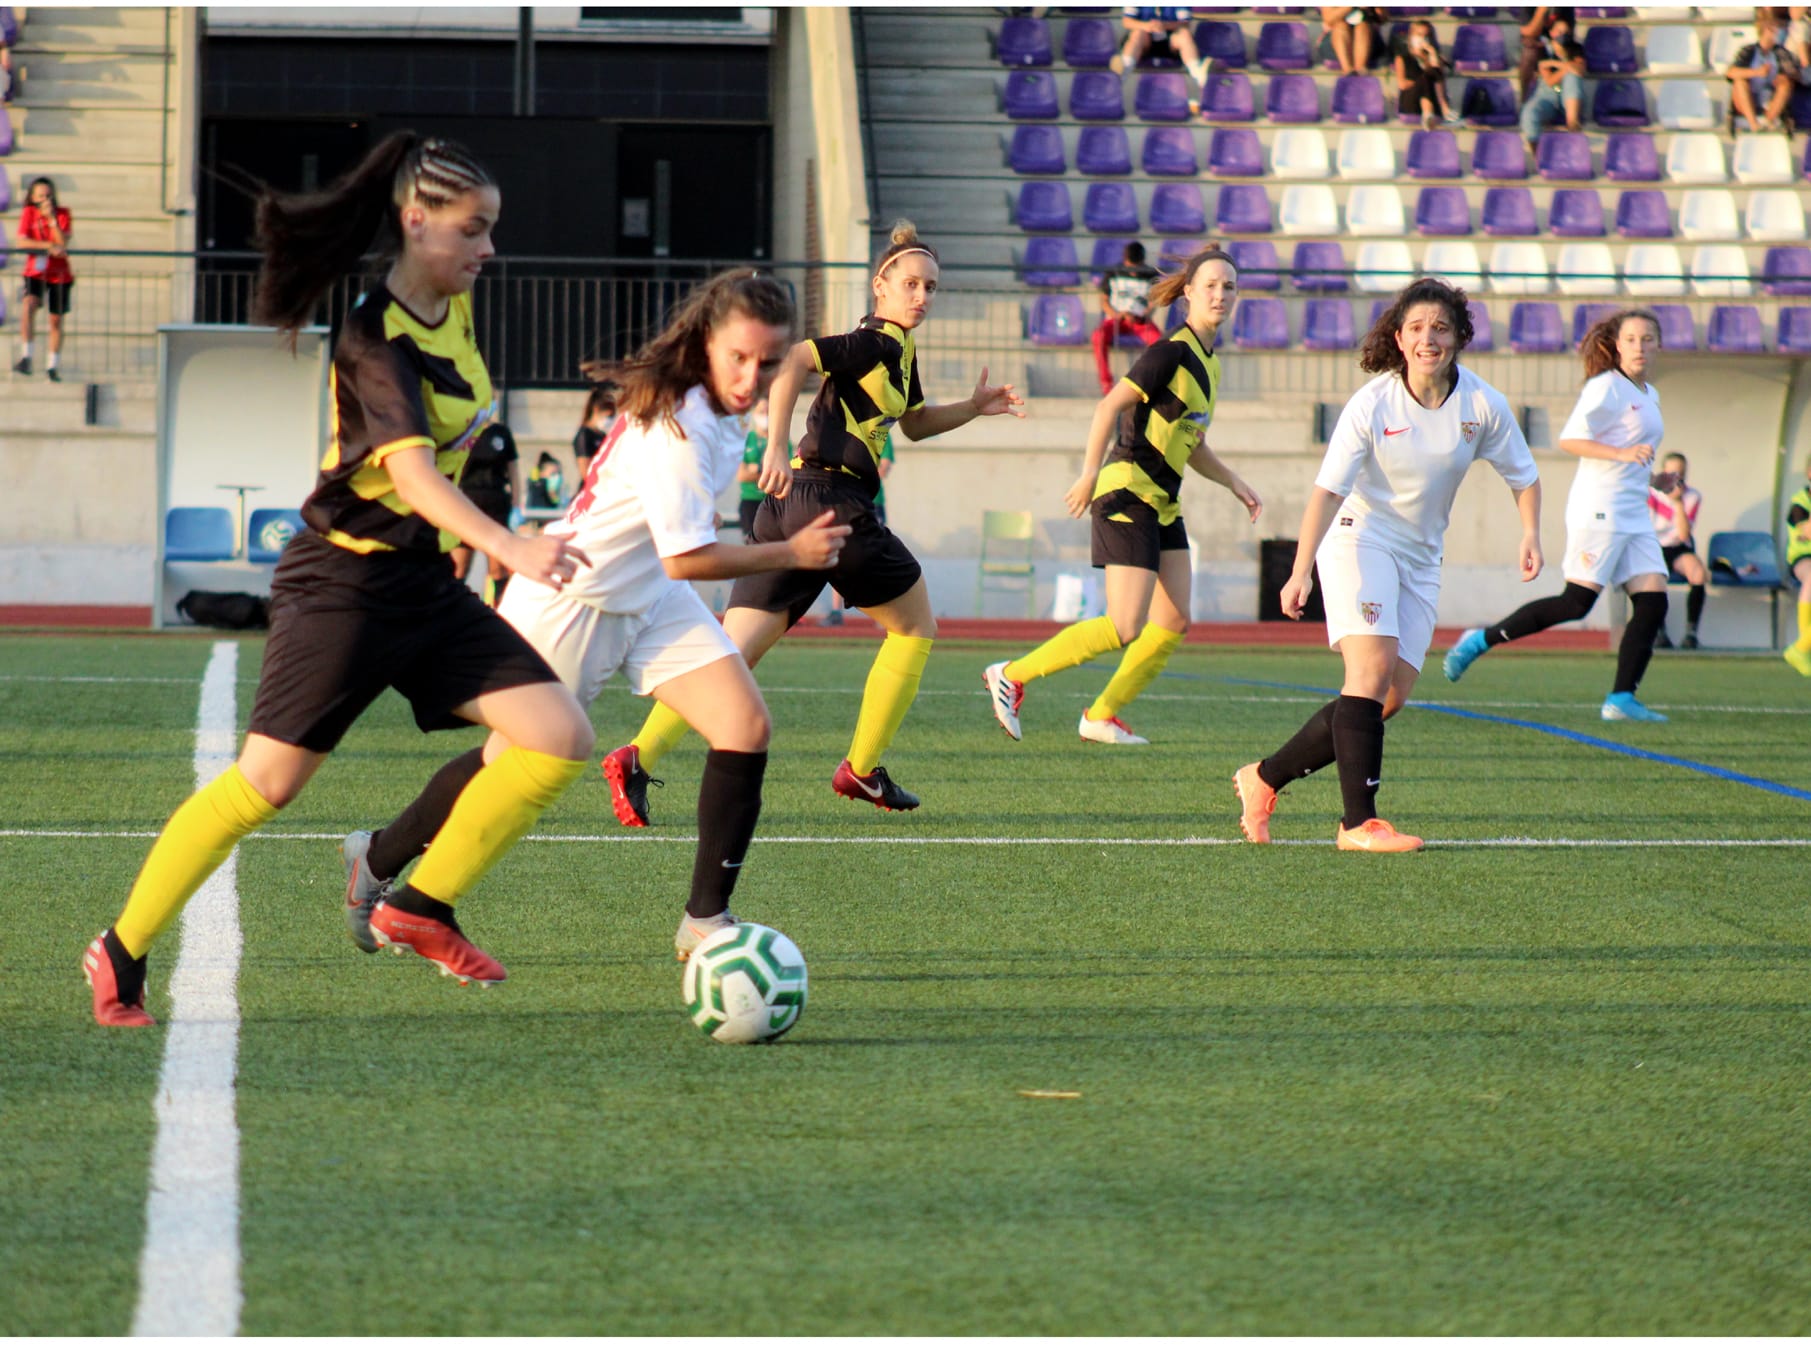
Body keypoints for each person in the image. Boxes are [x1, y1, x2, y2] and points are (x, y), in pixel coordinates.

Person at [81, 133, 596, 1026]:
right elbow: (413, 477)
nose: (489, 250)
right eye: (473, 230)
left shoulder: (457, 310)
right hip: (341, 588)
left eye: (491, 230)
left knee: (557, 735)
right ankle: (120, 947)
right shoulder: (371, 336)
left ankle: (415, 903)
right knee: (266, 786)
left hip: (421, 584)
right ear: (415, 221)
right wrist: (510, 546)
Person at [343, 270, 850, 961]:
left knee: (744, 724)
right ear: (708, 342)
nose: (751, 375)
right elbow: (689, 559)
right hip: (575, 599)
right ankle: (379, 859)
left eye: (767, 361)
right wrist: (791, 551)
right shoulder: (678, 426)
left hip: (648, 595)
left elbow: (672, 562)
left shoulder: (718, 408)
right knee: (507, 764)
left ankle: (705, 919)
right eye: (739, 356)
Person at [599, 219, 1026, 824]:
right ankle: (863, 768)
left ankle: (635, 757)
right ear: (881, 284)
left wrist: (975, 408)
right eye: (910, 283)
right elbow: (798, 357)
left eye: (931, 287)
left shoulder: (899, 351)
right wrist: (773, 444)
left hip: (793, 504)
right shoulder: (877, 341)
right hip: (833, 502)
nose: (922, 296)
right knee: (915, 626)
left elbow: (917, 423)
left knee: (730, 652)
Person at [1235, 278, 1542, 852]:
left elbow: (1524, 477)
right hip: (1362, 538)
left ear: (1459, 337)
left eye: (1442, 328)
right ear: (1399, 339)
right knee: (1368, 676)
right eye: (1418, 328)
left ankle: (1264, 778)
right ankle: (1359, 825)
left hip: (1422, 557)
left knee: (1386, 700)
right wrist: (1300, 570)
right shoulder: (1373, 402)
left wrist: (1530, 534)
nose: (1430, 339)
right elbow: (1326, 492)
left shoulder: (1482, 404)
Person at [985, 246, 1262, 747]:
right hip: (1128, 490)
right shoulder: (1170, 352)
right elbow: (1108, 406)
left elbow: (1190, 441)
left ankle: (1101, 714)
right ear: (1188, 294)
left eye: (1230, 287)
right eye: (1212, 286)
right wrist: (1090, 472)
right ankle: (1012, 673)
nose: (1221, 294)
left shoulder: (1210, 364)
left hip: (1161, 500)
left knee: (1174, 620)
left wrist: (1233, 482)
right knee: (1124, 623)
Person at [1444, 309, 1671, 722]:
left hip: (1634, 513)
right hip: (1600, 509)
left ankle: (1620, 700)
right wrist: (1622, 454)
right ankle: (1479, 639)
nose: (1640, 346)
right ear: (1617, 346)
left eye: (1648, 339)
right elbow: (1572, 438)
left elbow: (1631, 449)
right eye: (1632, 339)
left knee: (1653, 602)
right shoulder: (1607, 388)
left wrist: (1654, 479)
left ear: (1659, 345)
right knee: (1577, 603)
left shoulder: (1648, 394)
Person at [450, 420, 522, 605]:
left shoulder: (501, 432)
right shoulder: (465, 428)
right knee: (458, 568)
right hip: (467, 503)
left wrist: (516, 504)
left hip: (496, 504)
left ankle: (501, 611)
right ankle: (454, 614)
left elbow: (513, 471)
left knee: (498, 570)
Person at [14, 177, 74, 381]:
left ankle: (52, 365)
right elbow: (21, 241)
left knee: (55, 319)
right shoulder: (28, 214)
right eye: (41, 196)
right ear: (33, 197)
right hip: (35, 272)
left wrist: (52, 220)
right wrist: (47, 247)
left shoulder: (63, 214)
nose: (45, 199)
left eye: (48, 195)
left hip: (59, 274)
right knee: (28, 306)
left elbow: (62, 242)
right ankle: (26, 355)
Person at [1647, 451, 1706, 650]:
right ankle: (1659, 632)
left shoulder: (1692, 496)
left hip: (1678, 548)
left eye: (1681, 473)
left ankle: (1691, 633)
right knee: (1653, 577)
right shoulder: (1649, 493)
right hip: (1654, 546)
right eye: (1672, 473)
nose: (1676, 477)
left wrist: (1677, 502)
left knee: (1698, 573)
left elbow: (1683, 534)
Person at [1092, 240, 1162, 397]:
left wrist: (1145, 313)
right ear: (1125, 260)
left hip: (1140, 321)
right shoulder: (1113, 273)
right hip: (1116, 320)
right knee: (1098, 336)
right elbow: (1103, 300)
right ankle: (1106, 383)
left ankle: (1153, 384)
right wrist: (1118, 314)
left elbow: (1154, 300)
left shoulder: (1151, 274)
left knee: (1161, 344)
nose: (1134, 271)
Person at [1519, 11, 1586, 155]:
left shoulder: (1576, 48)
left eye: (1566, 31)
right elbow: (1549, 81)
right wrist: (1567, 66)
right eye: (1560, 31)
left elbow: (1580, 69)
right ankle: (1538, 154)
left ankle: (1572, 124)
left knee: (1572, 79)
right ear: (1552, 32)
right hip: (1548, 96)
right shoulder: (1543, 50)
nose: (1563, 34)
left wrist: (1557, 65)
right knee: (1529, 113)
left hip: (1568, 98)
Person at [1726, 12, 1800, 133]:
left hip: (1770, 98)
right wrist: (1757, 72)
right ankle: (1754, 123)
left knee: (1786, 83)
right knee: (1740, 83)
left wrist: (1783, 77)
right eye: (1773, 31)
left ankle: (1768, 120)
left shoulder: (1781, 53)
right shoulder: (1748, 51)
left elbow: (1793, 73)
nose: (1776, 34)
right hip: (1748, 97)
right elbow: (1730, 73)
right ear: (1765, 31)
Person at [1111, 7, 1209, 91]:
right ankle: (1121, 75)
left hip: (1169, 42)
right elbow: (1127, 22)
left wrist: (1164, 25)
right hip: (1145, 42)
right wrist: (1147, 26)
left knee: (1184, 34)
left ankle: (1199, 76)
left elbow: (1185, 23)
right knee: (1138, 33)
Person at [1393, 19, 1459, 130]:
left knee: (1433, 72)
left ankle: (1429, 115)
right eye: (1419, 34)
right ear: (1411, 36)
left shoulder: (1433, 56)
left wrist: (1432, 54)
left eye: (1426, 35)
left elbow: (1440, 78)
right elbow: (1402, 84)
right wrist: (1420, 82)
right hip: (1411, 101)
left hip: (1434, 100)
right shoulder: (1402, 58)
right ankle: (1444, 111)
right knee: (1426, 79)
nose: (1422, 38)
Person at [1783, 453, 1811, 676]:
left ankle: (1802, 648)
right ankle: (1803, 645)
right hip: (1803, 559)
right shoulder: (1800, 501)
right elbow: (1807, 530)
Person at [1516, 7, 1574, 102]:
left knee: (1569, 59)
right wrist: (1542, 9)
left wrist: (1554, 41)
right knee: (1529, 53)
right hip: (1536, 49)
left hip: (1557, 46)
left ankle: (1562, 99)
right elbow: (1528, 32)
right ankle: (1524, 99)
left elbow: (1567, 31)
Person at [737, 395, 771, 542]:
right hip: (750, 501)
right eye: (761, 411)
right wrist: (765, 471)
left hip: (770, 501)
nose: (765, 415)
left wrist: (755, 469)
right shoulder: (746, 439)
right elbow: (741, 475)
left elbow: (784, 473)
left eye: (768, 411)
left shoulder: (781, 441)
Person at [572, 381, 617, 482]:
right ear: (596, 410)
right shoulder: (584, 435)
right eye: (608, 416)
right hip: (593, 486)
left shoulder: (603, 435)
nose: (610, 420)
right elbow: (585, 470)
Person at [1320, 7, 1381, 77]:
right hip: (1334, 41)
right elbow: (1328, 19)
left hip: (1370, 41)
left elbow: (1383, 18)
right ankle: (1347, 71)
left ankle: (1360, 70)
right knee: (1341, 26)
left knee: (1363, 26)